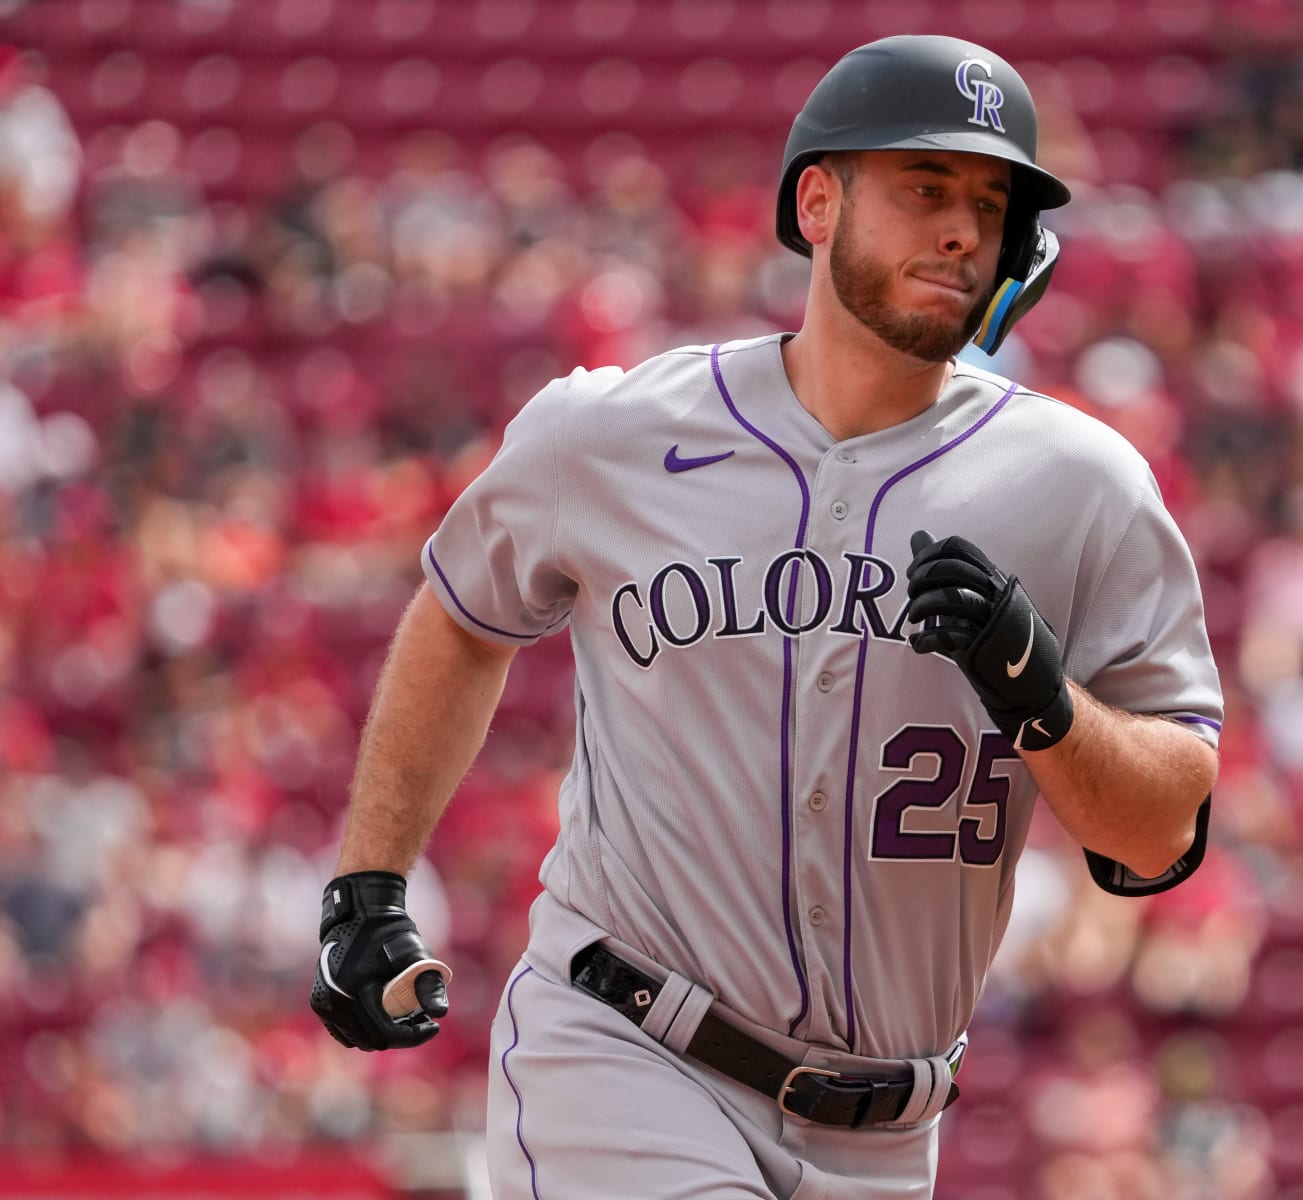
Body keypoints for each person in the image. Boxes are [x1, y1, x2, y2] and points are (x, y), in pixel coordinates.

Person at [308, 35, 1223, 1199]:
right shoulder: (611, 434)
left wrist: (1041, 697)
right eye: (926, 188)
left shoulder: (1083, 486)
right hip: (624, 1048)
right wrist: (368, 886)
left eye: (989, 205)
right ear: (819, 200)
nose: (958, 230)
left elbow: (1158, 835)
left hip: (892, 1127)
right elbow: (461, 617)